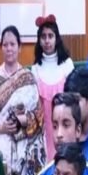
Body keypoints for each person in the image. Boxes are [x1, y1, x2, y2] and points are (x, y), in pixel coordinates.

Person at [0, 25, 44, 175]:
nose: (9, 48)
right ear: (1, 48)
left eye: (12, 44)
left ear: (19, 47)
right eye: (5, 45)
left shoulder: (28, 76)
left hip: (27, 140)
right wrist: (1, 127)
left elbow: (39, 115)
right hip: (2, 141)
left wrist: (23, 120)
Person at [31, 14, 74, 160]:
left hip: (65, 126)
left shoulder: (67, 64)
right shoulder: (35, 69)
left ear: (57, 38)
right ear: (39, 40)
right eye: (43, 37)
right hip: (43, 130)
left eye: (50, 36)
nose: (47, 40)